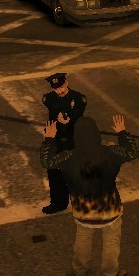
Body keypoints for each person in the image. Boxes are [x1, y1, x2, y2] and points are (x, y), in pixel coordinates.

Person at [41, 114, 139, 276]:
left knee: (83, 237)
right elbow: (132, 152)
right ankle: (110, 274)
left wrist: (49, 139)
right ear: (96, 133)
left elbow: (47, 161)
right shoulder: (110, 152)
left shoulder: (69, 157)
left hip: (83, 211)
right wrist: (122, 133)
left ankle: (79, 269)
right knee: (111, 240)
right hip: (110, 210)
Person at [40, 73, 87, 215]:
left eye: (61, 87)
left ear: (66, 83)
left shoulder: (79, 98)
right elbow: (51, 105)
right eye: (56, 88)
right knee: (54, 173)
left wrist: (68, 118)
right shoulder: (49, 98)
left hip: (73, 141)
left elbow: (78, 112)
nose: (59, 91)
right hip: (56, 141)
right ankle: (58, 203)